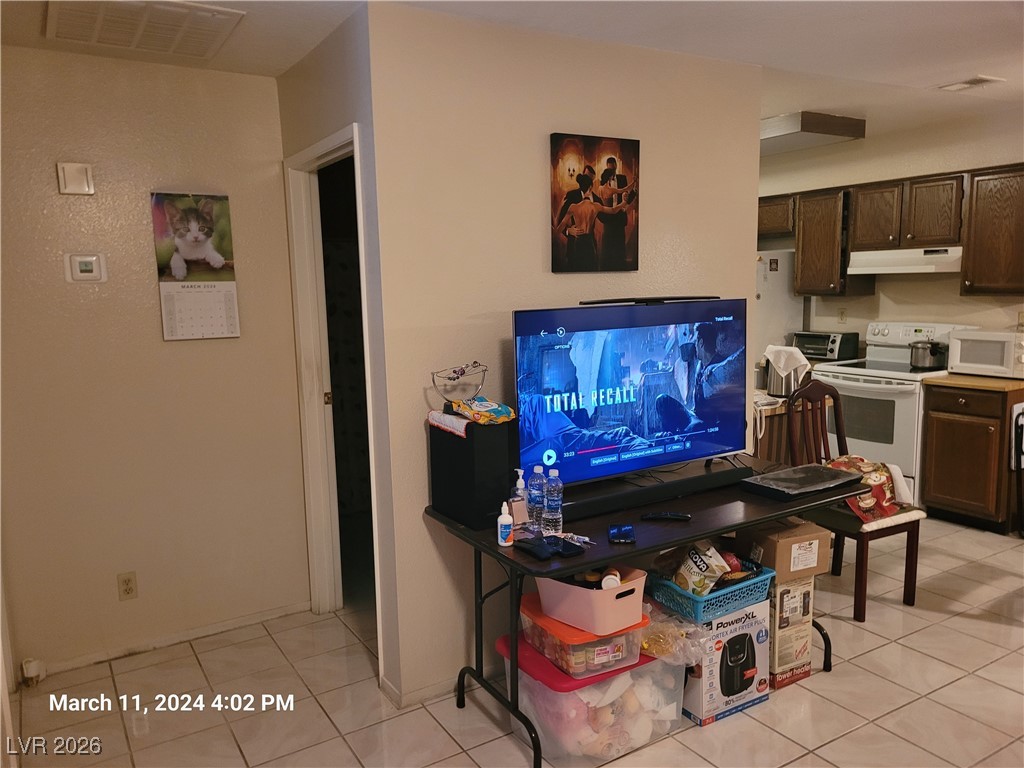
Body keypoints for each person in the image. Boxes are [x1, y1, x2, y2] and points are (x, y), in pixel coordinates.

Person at [553, 174, 636, 271]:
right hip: (588, 243)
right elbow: (613, 210)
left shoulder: (573, 207)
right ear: (590, 187)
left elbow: (557, 230)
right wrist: (624, 203)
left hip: (579, 242)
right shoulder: (595, 206)